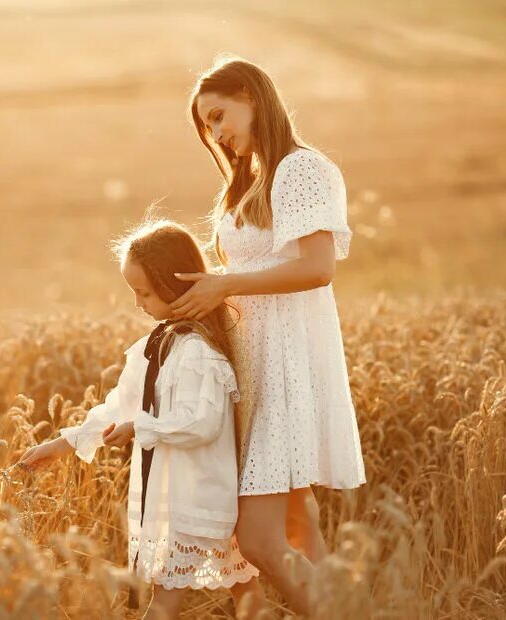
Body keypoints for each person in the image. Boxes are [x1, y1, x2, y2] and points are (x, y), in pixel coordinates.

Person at [169, 54, 368, 615]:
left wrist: (225, 283)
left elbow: (318, 268)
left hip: (287, 363)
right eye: (207, 125)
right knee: (299, 524)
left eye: (219, 115)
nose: (216, 133)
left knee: (258, 539)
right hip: (252, 368)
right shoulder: (251, 181)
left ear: (252, 98)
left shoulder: (301, 169)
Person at [17, 220, 264, 619]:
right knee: (241, 587)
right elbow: (119, 408)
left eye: (144, 292)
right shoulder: (153, 348)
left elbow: (201, 424)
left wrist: (142, 428)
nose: (138, 303)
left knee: (180, 597)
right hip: (171, 496)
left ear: (174, 286)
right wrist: (63, 444)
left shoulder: (198, 352)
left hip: (197, 497)